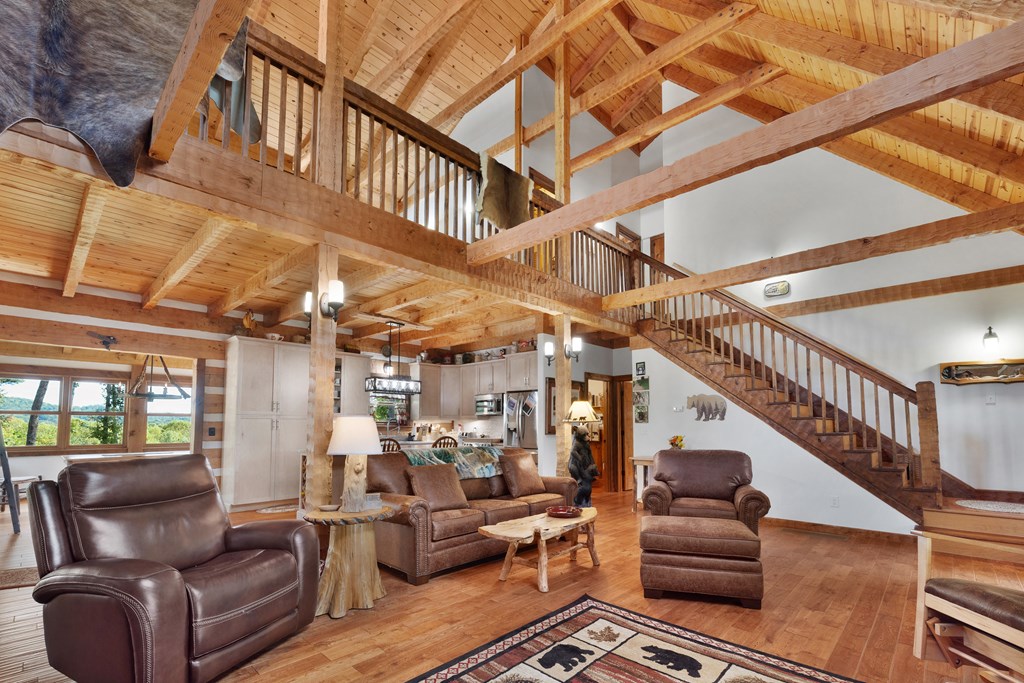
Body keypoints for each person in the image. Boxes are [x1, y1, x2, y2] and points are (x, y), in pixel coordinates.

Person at [568, 425, 600, 507]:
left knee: (591, 472)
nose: (587, 437)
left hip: (586, 465)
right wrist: (579, 458)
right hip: (576, 464)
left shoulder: (586, 444)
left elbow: (590, 454)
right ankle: (578, 480)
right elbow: (572, 452)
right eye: (584, 435)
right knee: (573, 468)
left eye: (587, 434)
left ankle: (586, 502)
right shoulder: (577, 443)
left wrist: (592, 463)